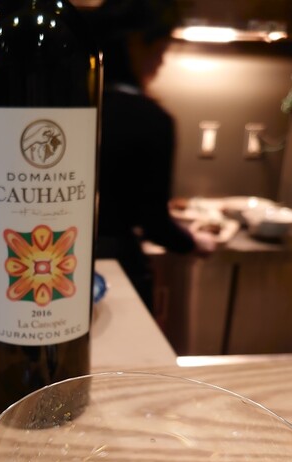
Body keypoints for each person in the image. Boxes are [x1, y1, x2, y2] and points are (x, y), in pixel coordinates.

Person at [89, 0, 215, 310]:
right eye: (160, 49)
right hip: (118, 268)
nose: (161, 62)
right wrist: (193, 242)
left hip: (57, 259)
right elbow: (155, 224)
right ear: (134, 43)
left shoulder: (65, 105)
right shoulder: (151, 119)